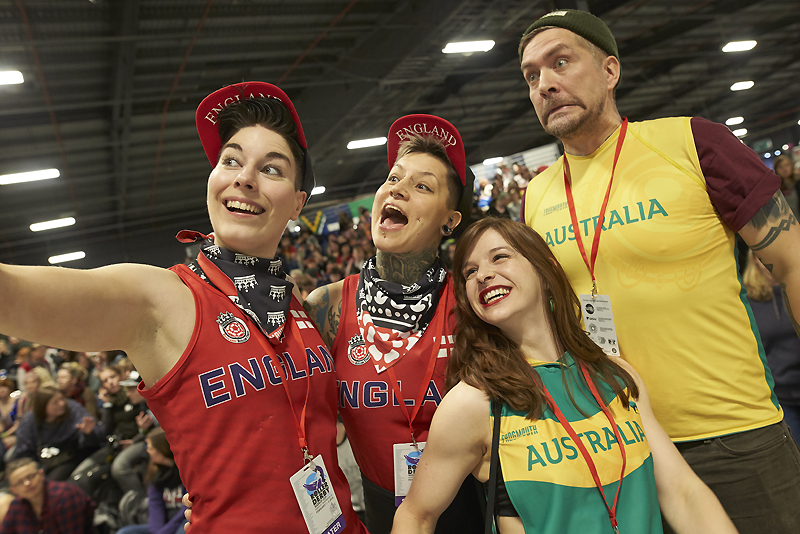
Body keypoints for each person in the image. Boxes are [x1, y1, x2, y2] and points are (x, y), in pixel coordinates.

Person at [0, 81, 363, 533]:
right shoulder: (164, 298)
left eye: (271, 168)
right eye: (230, 160)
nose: (244, 177)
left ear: (297, 204)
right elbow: (12, 295)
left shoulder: (302, 308)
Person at [517, 9, 800, 533]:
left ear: (609, 71)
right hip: (621, 449)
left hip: (733, 437)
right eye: (532, 76)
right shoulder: (536, 195)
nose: (545, 84)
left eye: (561, 62)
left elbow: (791, 260)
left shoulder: (693, 143)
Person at [392, 217, 737, 534]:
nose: (482, 275)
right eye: (469, 271)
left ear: (545, 271)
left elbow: (682, 493)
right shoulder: (474, 403)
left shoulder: (616, 374)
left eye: (499, 257)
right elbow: (415, 516)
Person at [303, 114, 483, 534]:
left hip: (470, 512)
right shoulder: (326, 307)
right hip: (382, 514)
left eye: (422, 186)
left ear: (449, 221)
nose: (398, 188)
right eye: (394, 178)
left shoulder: (472, 303)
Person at [743, 250, 800, 443]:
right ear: (754, 261)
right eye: (761, 257)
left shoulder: (795, 290)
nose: (768, 262)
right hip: (780, 397)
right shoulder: (748, 300)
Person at [12, 386, 104, 481]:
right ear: (43, 406)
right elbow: (23, 451)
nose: (62, 403)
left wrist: (88, 433)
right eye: (55, 402)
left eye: (62, 399)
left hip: (71, 455)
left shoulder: (72, 408)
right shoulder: (30, 420)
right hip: (43, 459)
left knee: (52, 480)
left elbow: (97, 435)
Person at [117, 428, 186, 534]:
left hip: (183, 523)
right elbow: (155, 506)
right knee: (124, 532)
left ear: (162, 449)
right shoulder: (155, 473)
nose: (147, 451)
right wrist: (157, 532)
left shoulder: (185, 472)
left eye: (150, 448)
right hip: (164, 527)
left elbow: (185, 511)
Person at [1, 457, 96, 533]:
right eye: (20, 482)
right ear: (13, 490)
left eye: (31, 476)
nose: (27, 483)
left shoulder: (64, 495)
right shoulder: (16, 506)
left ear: (41, 474)